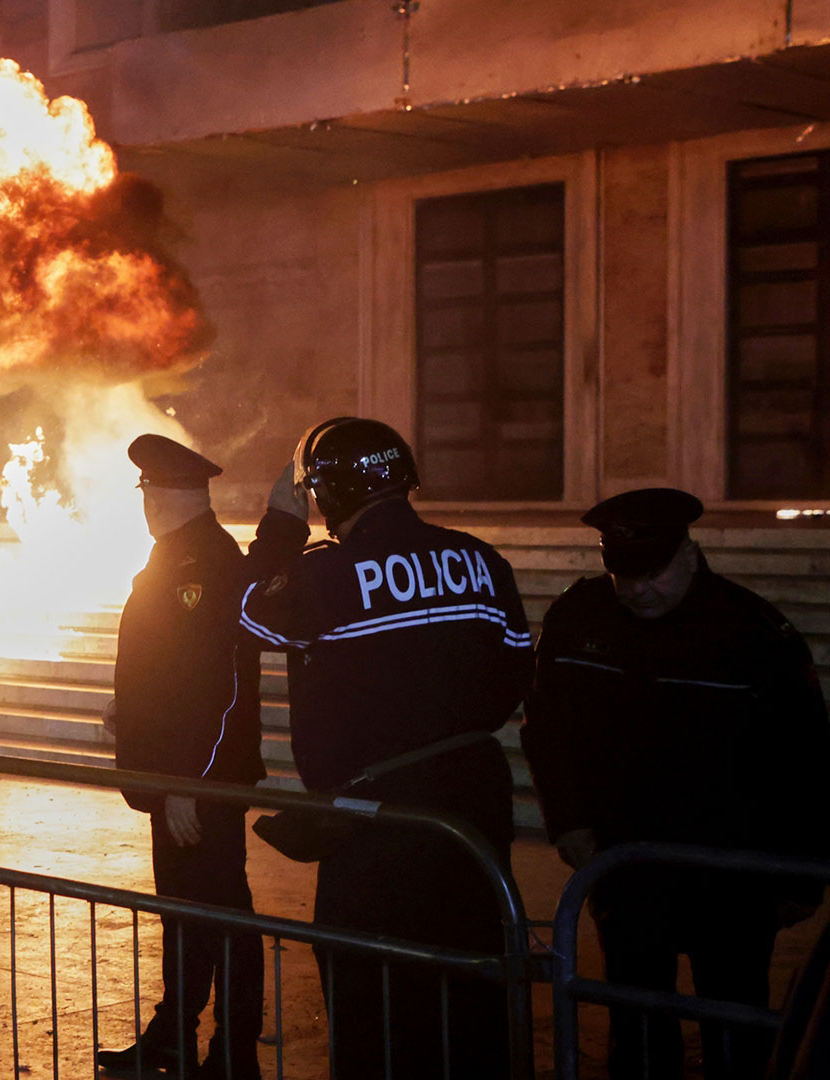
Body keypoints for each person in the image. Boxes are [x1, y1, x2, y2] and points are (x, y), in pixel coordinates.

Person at [238, 418, 531, 1080]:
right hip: (474, 810)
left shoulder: (325, 574)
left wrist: (280, 527)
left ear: (327, 495)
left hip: (374, 824)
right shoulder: (481, 560)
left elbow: (246, 611)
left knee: (372, 1000)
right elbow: (518, 668)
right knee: (473, 990)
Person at [522, 488, 830, 1080]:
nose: (638, 589)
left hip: (731, 872)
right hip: (626, 864)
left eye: (652, 573)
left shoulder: (753, 631)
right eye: (623, 575)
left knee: (734, 1025)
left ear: (689, 554)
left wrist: (802, 874)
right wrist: (568, 821)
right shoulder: (578, 616)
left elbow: (805, 756)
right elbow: (547, 729)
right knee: (637, 1028)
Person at [97, 435, 265, 1079]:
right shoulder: (176, 556)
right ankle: (175, 1035)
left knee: (222, 913)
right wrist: (129, 707)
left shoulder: (205, 563)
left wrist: (189, 783)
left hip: (198, 783)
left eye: (147, 491)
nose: (144, 503)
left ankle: (234, 1049)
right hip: (176, 779)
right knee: (185, 913)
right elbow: (166, 667)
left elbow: (216, 687)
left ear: (164, 495)